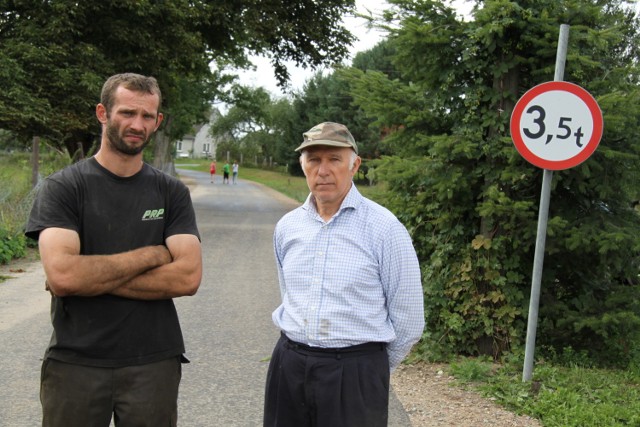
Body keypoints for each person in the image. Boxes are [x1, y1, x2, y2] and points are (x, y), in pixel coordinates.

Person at [25, 73, 203, 427]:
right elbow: (63, 276)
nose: (137, 124)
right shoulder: (64, 188)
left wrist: (87, 277)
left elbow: (187, 278)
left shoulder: (171, 193)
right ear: (103, 113)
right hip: (76, 361)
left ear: (158, 121)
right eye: (127, 113)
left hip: (153, 362)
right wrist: (153, 255)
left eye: (147, 116)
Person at [263, 122, 424, 427]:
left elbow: (409, 320)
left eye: (334, 159)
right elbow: (290, 294)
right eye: (314, 160)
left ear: (355, 165)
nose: (323, 170)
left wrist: (367, 369)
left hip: (356, 374)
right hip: (289, 365)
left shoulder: (385, 229)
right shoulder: (288, 227)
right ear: (302, 165)